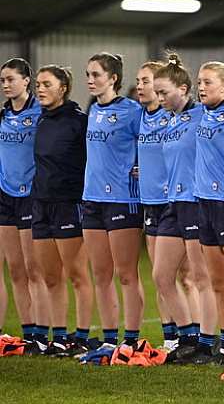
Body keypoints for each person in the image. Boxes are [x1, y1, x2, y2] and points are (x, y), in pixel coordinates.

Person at [151, 54, 214, 364]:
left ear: (184, 88)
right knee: (161, 276)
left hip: (195, 202)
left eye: (164, 92)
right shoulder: (171, 119)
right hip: (173, 203)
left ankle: (210, 341)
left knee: (202, 278)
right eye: (157, 93)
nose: (158, 98)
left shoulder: (204, 115)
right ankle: (187, 337)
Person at [82, 53, 144, 350]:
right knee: (101, 274)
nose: (90, 80)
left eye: (96, 74)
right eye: (88, 75)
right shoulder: (93, 109)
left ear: (113, 78)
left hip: (122, 199)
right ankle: (109, 340)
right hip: (91, 199)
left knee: (126, 274)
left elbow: (153, 142)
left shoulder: (133, 111)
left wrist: (144, 166)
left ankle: (130, 340)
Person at [31, 65, 93, 356]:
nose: (40, 89)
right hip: (40, 204)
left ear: (63, 88)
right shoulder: (41, 120)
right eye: (38, 85)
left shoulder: (78, 121)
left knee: (77, 275)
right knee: (50, 277)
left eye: (46, 84)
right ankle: (57, 338)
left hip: (68, 204)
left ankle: (80, 337)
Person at [136, 60, 190, 351]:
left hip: (181, 201)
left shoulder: (181, 115)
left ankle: (197, 337)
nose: (145, 88)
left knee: (189, 276)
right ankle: (173, 337)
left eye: (149, 81)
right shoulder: (139, 115)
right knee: (162, 276)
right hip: (153, 203)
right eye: (142, 82)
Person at [192, 60, 224, 364]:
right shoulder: (200, 112)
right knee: (219, 282)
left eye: (208, 82)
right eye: (199, 82)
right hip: (203, 201)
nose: (201, 87)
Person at [0, 58, 47, 347]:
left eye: (11, 79)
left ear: (26, 81)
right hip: (4, 196)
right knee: (15, 268)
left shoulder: (41, 114)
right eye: (2, 81)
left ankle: (40, 333)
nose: (6, 85)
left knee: (34, 269)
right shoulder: (2, 116)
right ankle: (26, 331)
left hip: (31, 195)